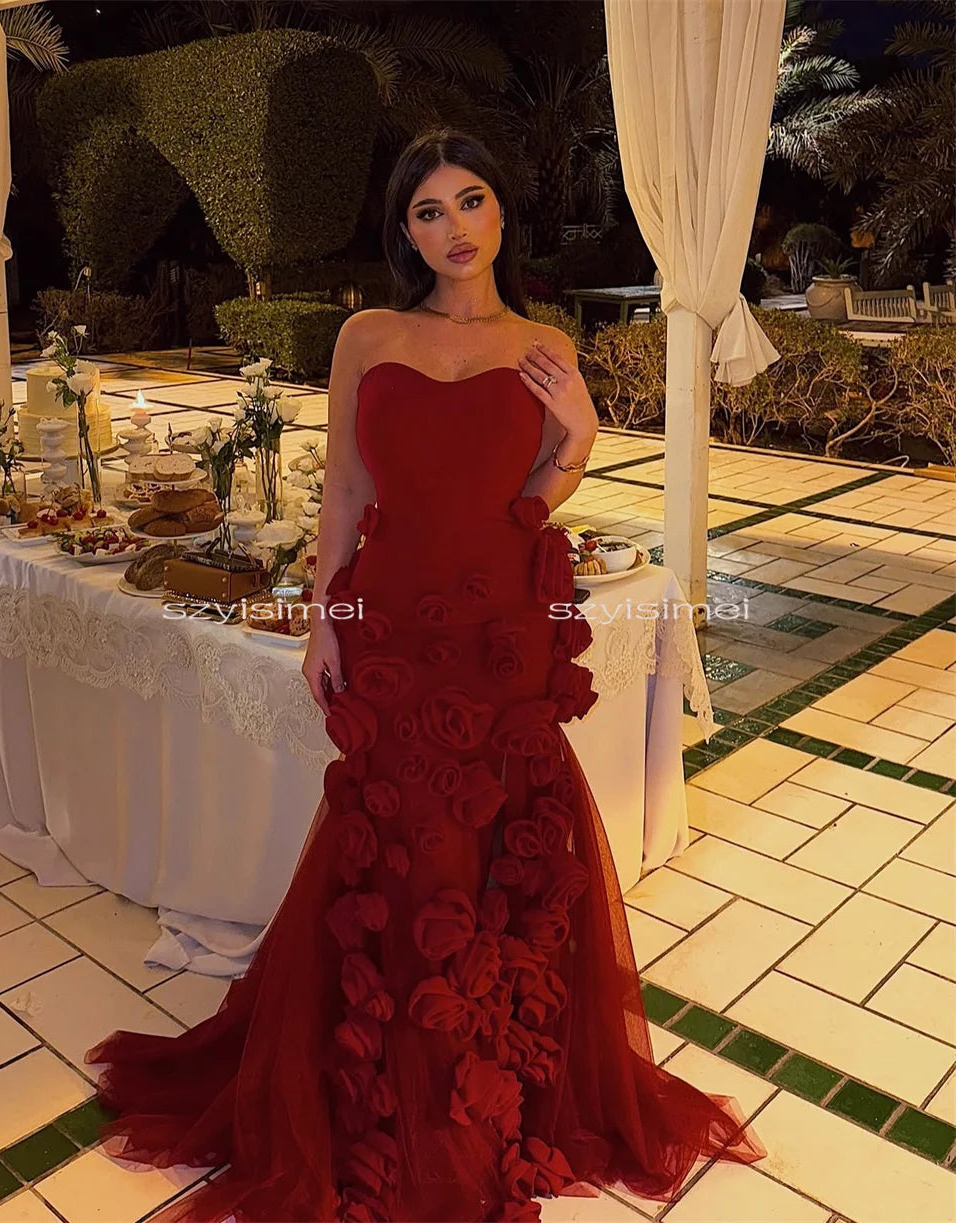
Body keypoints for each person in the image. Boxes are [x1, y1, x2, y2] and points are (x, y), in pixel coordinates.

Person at [84, 128, 765, 1223]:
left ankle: (488, 1077)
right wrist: (328, 619)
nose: (454, 227)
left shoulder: (542, 343)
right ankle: (393, 1082)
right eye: (428, 210)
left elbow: (533, 495)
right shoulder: (369, 334)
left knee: (495, 833)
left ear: (501, 212)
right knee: (401, 836)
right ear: (404, 231)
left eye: (471, 200)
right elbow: (347, 492)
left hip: (502, 626)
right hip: (394, 617)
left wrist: (580, 436)